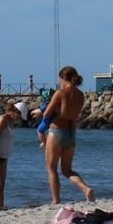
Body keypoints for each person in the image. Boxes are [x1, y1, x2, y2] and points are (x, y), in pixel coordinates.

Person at [38, 66, 94, 203]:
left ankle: (55, 200)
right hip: (71, 134)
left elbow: (46, 114)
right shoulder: (81, 95)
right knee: (67, 170)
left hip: (57, 131)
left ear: (64, 78)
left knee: (51, 168)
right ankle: (85, 188)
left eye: (60, 79)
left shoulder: (60, 93)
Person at [0, 102, 26, 210]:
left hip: (4, 156)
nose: (20, 119)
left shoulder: (11, 122)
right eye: (20, 116)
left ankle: (1, 207)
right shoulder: (2, 119)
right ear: (15, 112)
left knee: (1, 185)